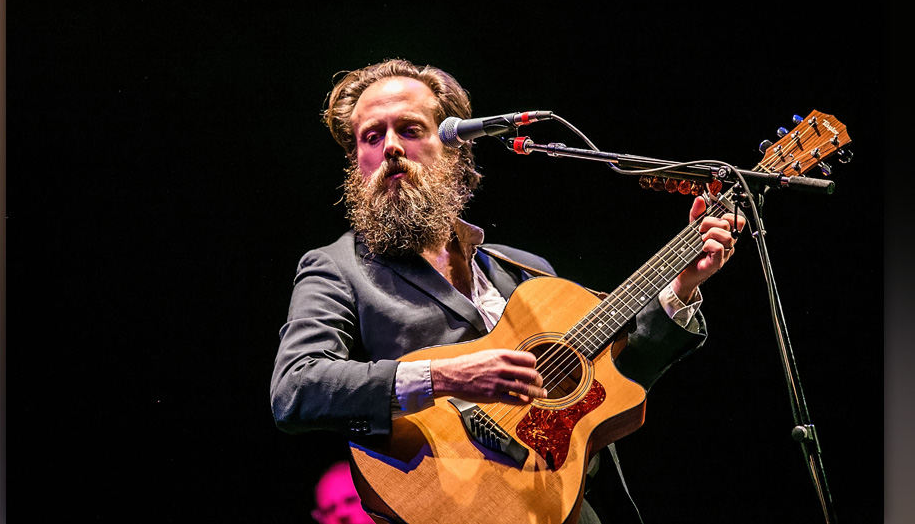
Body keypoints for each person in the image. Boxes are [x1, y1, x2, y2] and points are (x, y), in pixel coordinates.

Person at [270, 59, 745, 523]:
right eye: (372, 137)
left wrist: (683, 286)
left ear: (453, 149)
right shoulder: (337, 267)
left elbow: (612, 384)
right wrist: (446, 377)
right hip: (450, 503)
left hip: (565, 503)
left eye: (410, 130)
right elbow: (296, 388)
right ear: (358, 161)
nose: (391, 146)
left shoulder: (524, 270)